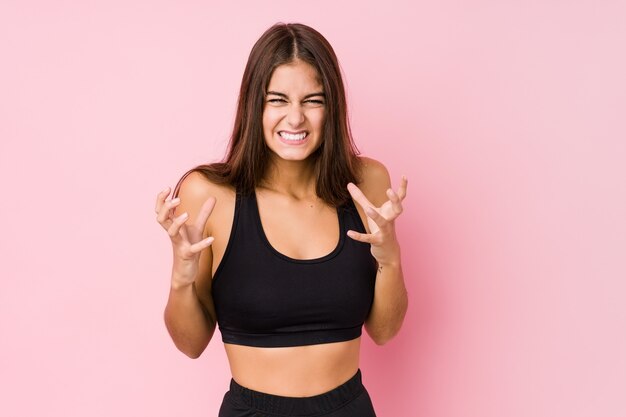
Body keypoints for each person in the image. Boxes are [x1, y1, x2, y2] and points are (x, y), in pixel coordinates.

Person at [155, 22, 408, 417]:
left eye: (313, 100)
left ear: (333, 107)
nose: (295, 119)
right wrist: (181, 276)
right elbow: (191, 344)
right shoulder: (208, 194)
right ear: (255, 104)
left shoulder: (368, 183)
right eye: (278, 100)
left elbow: (385, 331)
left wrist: (390, 257)